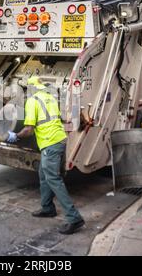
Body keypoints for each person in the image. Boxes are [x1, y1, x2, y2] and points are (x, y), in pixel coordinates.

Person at [6, 76, 85, 235]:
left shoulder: (32, 101)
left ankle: (74, 218)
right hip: (59, 140)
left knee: (53, 179)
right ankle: (47, 208)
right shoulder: (50, 97)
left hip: (50, 143)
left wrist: (16, 136)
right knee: (44, 173)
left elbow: (29, 129)